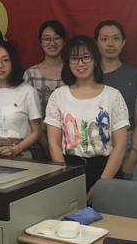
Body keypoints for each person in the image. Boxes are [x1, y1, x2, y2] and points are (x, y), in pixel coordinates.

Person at [45, 35, 129, 195]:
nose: (80, 63)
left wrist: (102, 184)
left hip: (106, 169)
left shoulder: (113, 95)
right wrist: (65, 178)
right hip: (69, 168)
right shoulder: (58, 96)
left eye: (86, 57)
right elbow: (54, 143)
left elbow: (120, 145)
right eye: (74, 58)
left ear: (95, 60)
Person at [95, 20, 137, 183]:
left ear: (123, 42)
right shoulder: (89, 76)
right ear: (96, 43)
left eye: (116, 38)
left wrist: (133, 156)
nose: (110, 44)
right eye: (104, 39)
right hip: (98, 146)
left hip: (129, 145)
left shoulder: (135, 76)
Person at [23, 20, 66, 157]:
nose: (52, 43)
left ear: (64, 41)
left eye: (57, 38)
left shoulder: (73, 71)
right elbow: (26, 114)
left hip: (69, 143)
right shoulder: (30, 74)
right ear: (40, 43)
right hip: (36, 143)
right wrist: (44, 141)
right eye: (47, 39)